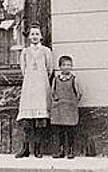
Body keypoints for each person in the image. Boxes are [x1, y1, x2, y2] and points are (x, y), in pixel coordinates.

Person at [14, 22, 53, 158]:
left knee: (40, 120)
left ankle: (38, 148)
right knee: (27, 119)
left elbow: (49, 69)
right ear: (29, 37)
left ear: (41, 36)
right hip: (29, 87)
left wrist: (40, 79)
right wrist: (31, 79)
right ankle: (25, 148)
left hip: (41, 87)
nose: (35, 36)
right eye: (32, 34)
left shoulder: (46, 51)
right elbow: (23, 70)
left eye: (37, 34)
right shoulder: (25, 52)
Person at [50, 55, 83, 159]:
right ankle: (61, 150)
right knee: (60, 132)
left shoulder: (74, 79)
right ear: (60, 67)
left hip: (70, 109)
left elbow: (79, 93)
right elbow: (52, 92)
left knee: (70, 131)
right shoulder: (56, 79)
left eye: (69, 65)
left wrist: (73, 103)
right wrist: (56, 101)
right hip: (59, 109)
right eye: (64, 65)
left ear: (72, 66)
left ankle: (71, 150)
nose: (66, 67)